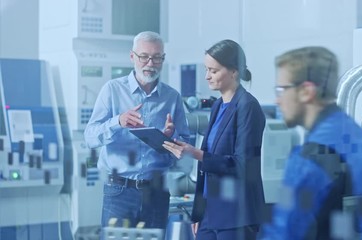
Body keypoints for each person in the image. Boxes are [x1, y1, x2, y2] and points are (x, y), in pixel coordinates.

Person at [261, 46, 362, 239]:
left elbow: (284, 231)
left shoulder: (312, 156)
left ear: (306, 91)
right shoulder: (358, 138)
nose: (277, 100)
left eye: (281, 90)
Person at [84, 31, 190, 230]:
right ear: (132, 57)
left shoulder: (172, 97)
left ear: (163, 59)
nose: (150, 63)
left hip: (157, 192)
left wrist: (170, 139)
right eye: (144, 56)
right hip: (119, 192)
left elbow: (184, 147)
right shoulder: (112, 90)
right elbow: (90, 137)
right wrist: (118, 122)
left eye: (157, 57)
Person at [162, 39, 266, 240]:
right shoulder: (218, 105)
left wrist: (196, 153)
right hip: (210, 213)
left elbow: (243, 165)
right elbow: (208, 167)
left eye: (214, 71)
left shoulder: (248, 107)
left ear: (234, 72)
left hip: (236, 216)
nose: (207, 76)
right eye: (206, 69)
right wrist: (199, 213)